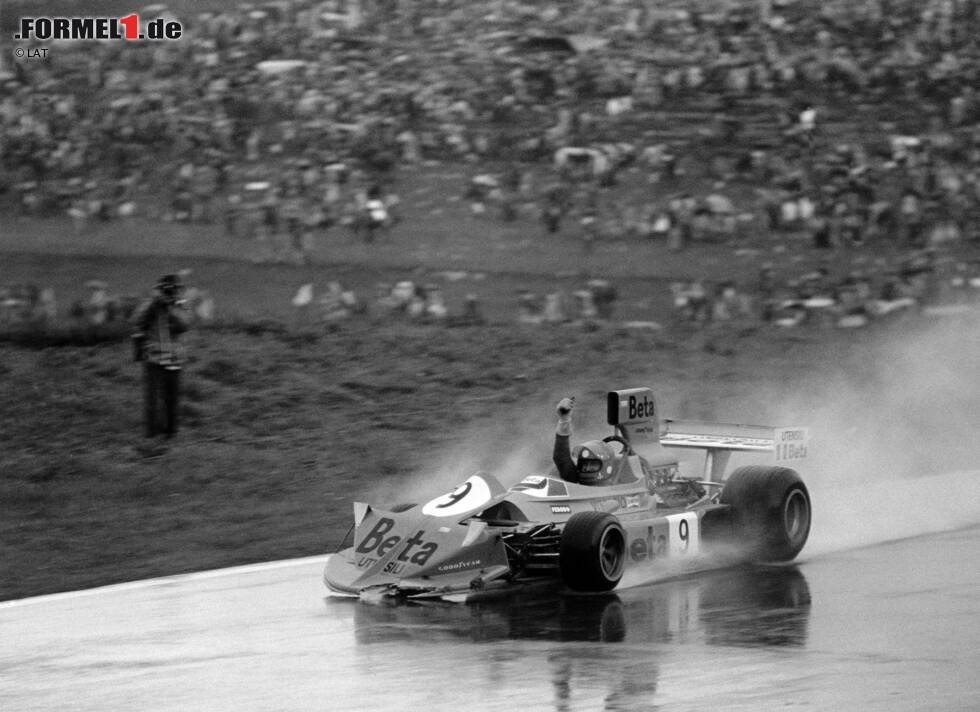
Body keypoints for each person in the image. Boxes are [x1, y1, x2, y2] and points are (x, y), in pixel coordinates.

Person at [132, 274, 191, 438]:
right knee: (152, 399)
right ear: (159, 289)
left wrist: (170, 306)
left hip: (174, 359)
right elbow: (136, 319)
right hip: (153, 359)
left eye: (174, 288)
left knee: (171, 399)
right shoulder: (150, 304)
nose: (170, 292)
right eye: (167, 288)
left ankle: (170, 434)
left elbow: (185, 324)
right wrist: (154, 302)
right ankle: (151, 434)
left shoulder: (181, 304)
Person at [553, 397, 617, 485]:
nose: (586, 468)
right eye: (583, 466)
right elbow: (561, 458)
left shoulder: (617, 487)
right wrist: (564, 420)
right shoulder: (575, 480)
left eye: (593, 466)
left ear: (606, 467)